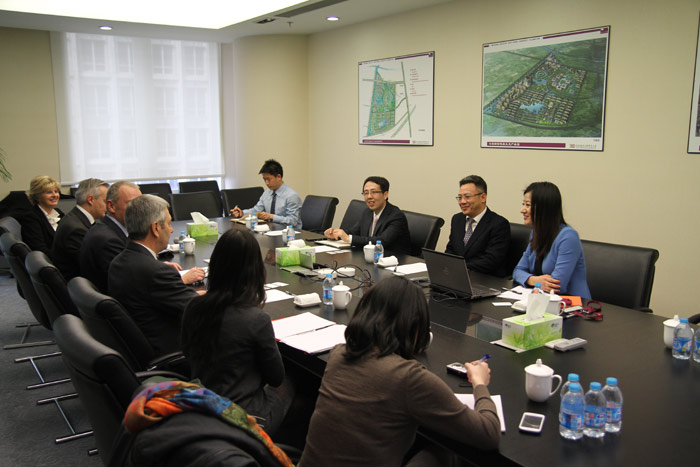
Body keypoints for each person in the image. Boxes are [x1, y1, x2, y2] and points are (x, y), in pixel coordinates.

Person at [300, 276, 501, 467]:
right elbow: (489, 434)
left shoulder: (338, 354)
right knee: (446, 453)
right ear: (416, 328)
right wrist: (480, 384)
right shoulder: (410, 378)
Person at [181, 228, 294, 437]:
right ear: (255, 270)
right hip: (244, 418)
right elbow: (276, 377)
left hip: (204, 406)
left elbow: (187, 353)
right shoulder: (256, 319)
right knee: (292, 380)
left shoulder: (193, 307)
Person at [108, 194, 206, 356]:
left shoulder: (119, 261)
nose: (171, 229)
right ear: (155, 228)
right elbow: (199, 310)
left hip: (136, 347)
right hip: (172, 349)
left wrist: (199, 295)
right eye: (168, 223)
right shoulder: (156, 272)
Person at [513, 181, 591, 297]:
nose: (522, 210)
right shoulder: (536, 233)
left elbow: (557, 286)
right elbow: (517, 271)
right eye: (523, 204)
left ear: (544, 207)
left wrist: (533, 281)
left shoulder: (568, 237)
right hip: (542, 300)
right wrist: (534, 280)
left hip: (571, 304)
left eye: (528, 205)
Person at [79, 181, 142, 292]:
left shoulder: (108, 228)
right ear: (111, 206)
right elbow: (131, 283)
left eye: (141, 204)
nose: (140, 210)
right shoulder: (108, 240)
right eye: (132, 204)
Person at [324, 176, 411, 255]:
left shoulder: (396, 216)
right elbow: (353, 232)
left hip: (393, 261)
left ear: (385, 195)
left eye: (374, 192)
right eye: (366, 193)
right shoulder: (367, 212)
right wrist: (336, 234)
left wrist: (348, 238)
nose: (369, 196)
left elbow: (381, 241)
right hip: (370, 258)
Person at [445, 175, 511, 276]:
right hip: (457, 276)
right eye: (460, 197)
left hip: (484, 279)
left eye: (467, 197)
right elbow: (451, 249)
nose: (462, 202)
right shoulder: (457, 219)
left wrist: (460, 267)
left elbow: (491, 260)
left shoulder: (499, 224)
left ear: (483, 197)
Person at [51, 178, 108, 280]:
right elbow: (93, 267)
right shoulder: (76, 229)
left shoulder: (75, 218)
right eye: (105, 201)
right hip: (77, 284)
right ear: (90, 200)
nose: (108, 206)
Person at [230, 159, 302, 229]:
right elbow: (256, 210)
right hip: (271, 229)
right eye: (264, 179)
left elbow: (293, 221)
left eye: (269, 179)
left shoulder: (292, 196)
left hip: (289, 232)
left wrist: (271, 217)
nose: (266, 183)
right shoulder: (267, 193)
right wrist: (242, 213)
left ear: (278, 177)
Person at [20, 175, 64, 257]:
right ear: (37, 196)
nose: (55, 195)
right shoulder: (31, 218)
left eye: (56, 191)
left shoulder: (58, 213)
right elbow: (40, 251)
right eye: (49, 192)